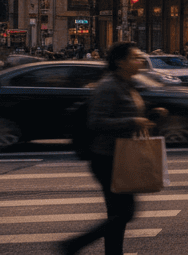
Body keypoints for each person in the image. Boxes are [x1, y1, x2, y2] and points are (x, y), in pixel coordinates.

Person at [61, 42, 158, 255]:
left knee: (118, 214)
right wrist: (133, 121)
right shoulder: (109, 86)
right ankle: (74, 244)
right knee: (124, 213)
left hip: (120, 156)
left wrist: (150, 116)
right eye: (135, 57)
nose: (140, 61)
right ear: (120, 62)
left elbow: (124, 112)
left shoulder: (126, 83)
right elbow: (96, 121)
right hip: (106, 157)